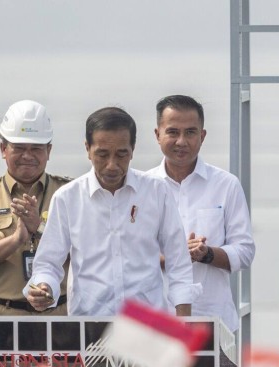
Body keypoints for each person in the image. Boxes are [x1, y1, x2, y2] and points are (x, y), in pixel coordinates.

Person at [24, 107, 198, 316]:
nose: (112, 165)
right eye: (102, 154)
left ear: (133, 149)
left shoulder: (156, 191)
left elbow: (178, 262)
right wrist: (44, 287)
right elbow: (48, 263)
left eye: (121, 154)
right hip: (90, 323)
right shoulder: (67, 198)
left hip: (147, 324)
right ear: (88, 149)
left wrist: (184, 322)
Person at [147, 95, 255, 334]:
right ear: (157, 134)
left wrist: (207, 254)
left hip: (213, 321)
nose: (181, 141)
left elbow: (245, 251)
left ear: (202, 136)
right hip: (155, 321)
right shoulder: (143, 187)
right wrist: (173, 257)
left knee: (217, 364)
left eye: (190, 132)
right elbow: (127, 254)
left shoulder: (226, 184)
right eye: (173, 132)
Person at [0, 100, 73, 316]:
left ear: (49, 150)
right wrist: (15, 240)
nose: (27, 156)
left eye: (36, 148)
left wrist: (39, 228)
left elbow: (87, 253)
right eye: (19, 148)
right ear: (3, 149)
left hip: (58, 315)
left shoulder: (69, 193)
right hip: (0, 316)